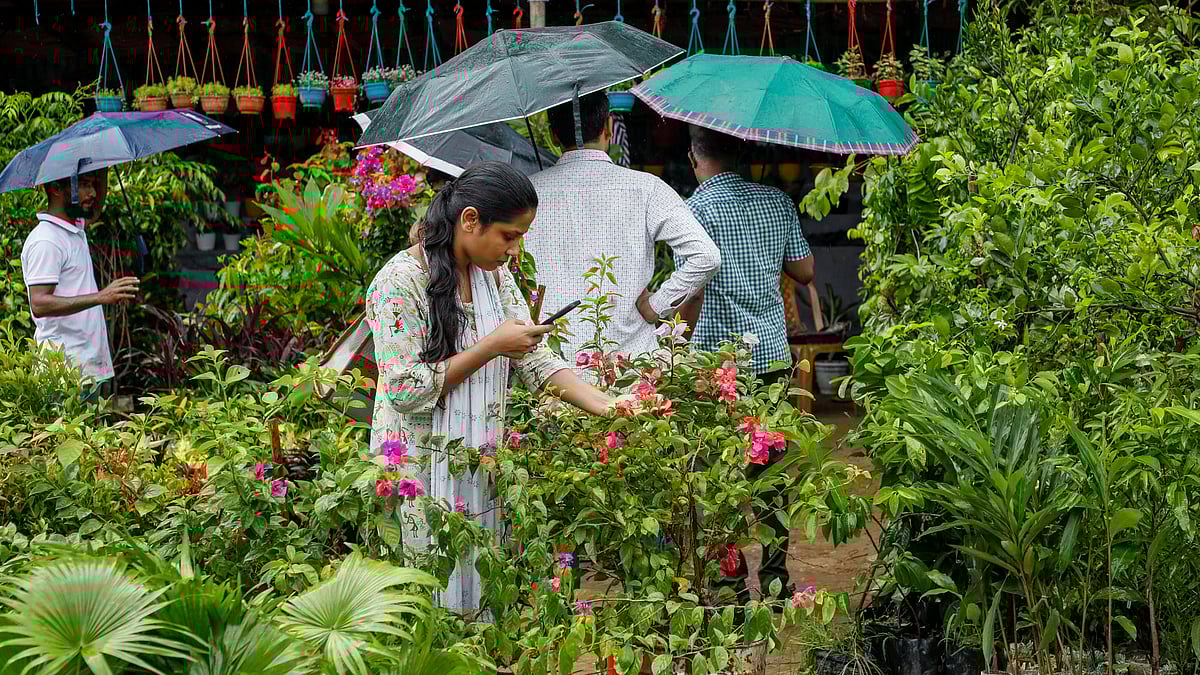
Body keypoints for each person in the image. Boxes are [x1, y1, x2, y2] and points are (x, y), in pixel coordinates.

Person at [364, 161, 614, 614]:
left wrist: (608, 405)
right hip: (418, 467)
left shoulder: (492, 279)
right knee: (424, 597)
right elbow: (404, 391)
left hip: (476, 461)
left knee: (481, 591)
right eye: (510, 236)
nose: (515, 251)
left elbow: (534, 358)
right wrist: (491, 345)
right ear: (470, 220)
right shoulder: (398, 282)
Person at [680, 125, 815, 605]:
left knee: (718, 475)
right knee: (770, 474)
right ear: (738, 153)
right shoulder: (777, 203)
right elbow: (804, 272)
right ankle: (778, 583)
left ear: (695, 157)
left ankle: (732, 586)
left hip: (717, 366)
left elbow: (689, 291)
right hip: (772, 359)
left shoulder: (694, 210)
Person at [524, 91, 720, 366]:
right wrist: (657, 305)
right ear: (608, 128)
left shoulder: (525, 194)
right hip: (630, 369)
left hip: (551, 367)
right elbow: (706, 256)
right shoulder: (648, 188)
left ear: (555, 135)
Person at [20, 168, 139, 400]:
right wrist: (100, 297)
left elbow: (95, 209)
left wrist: (103, 165)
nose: (92, 192)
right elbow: (40, 303)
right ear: (55, 188)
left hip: (86, 366)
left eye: (93, 185)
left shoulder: (74, 228)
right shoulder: (47, 240)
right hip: (63, 371)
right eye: (83, 185)